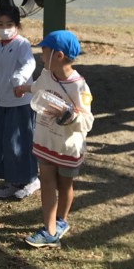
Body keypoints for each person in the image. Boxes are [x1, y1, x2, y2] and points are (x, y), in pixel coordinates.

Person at [14, 30, 94, 248]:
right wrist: (24, 88)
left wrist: (69, 115)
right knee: (47, 183)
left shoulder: (79, 86)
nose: (41, 55)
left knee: (65, 185)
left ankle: (61, 220)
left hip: (67, 147)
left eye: (44, 51)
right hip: (45, 142)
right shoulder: (47, 75)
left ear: (58, 55)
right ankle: (50, 231)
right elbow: (39, 88)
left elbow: (88, 122)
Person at [0, 6, 38, 200]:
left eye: (9, 24)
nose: (4, 28)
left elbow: (29, 64)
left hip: (20, 103)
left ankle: (31, 179)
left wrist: (19, 80)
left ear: (17, 25)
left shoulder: (21, 44)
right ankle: (12, 180)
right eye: (0, 24)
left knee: (20, 143)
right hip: (3, 103)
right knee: (3, 145)